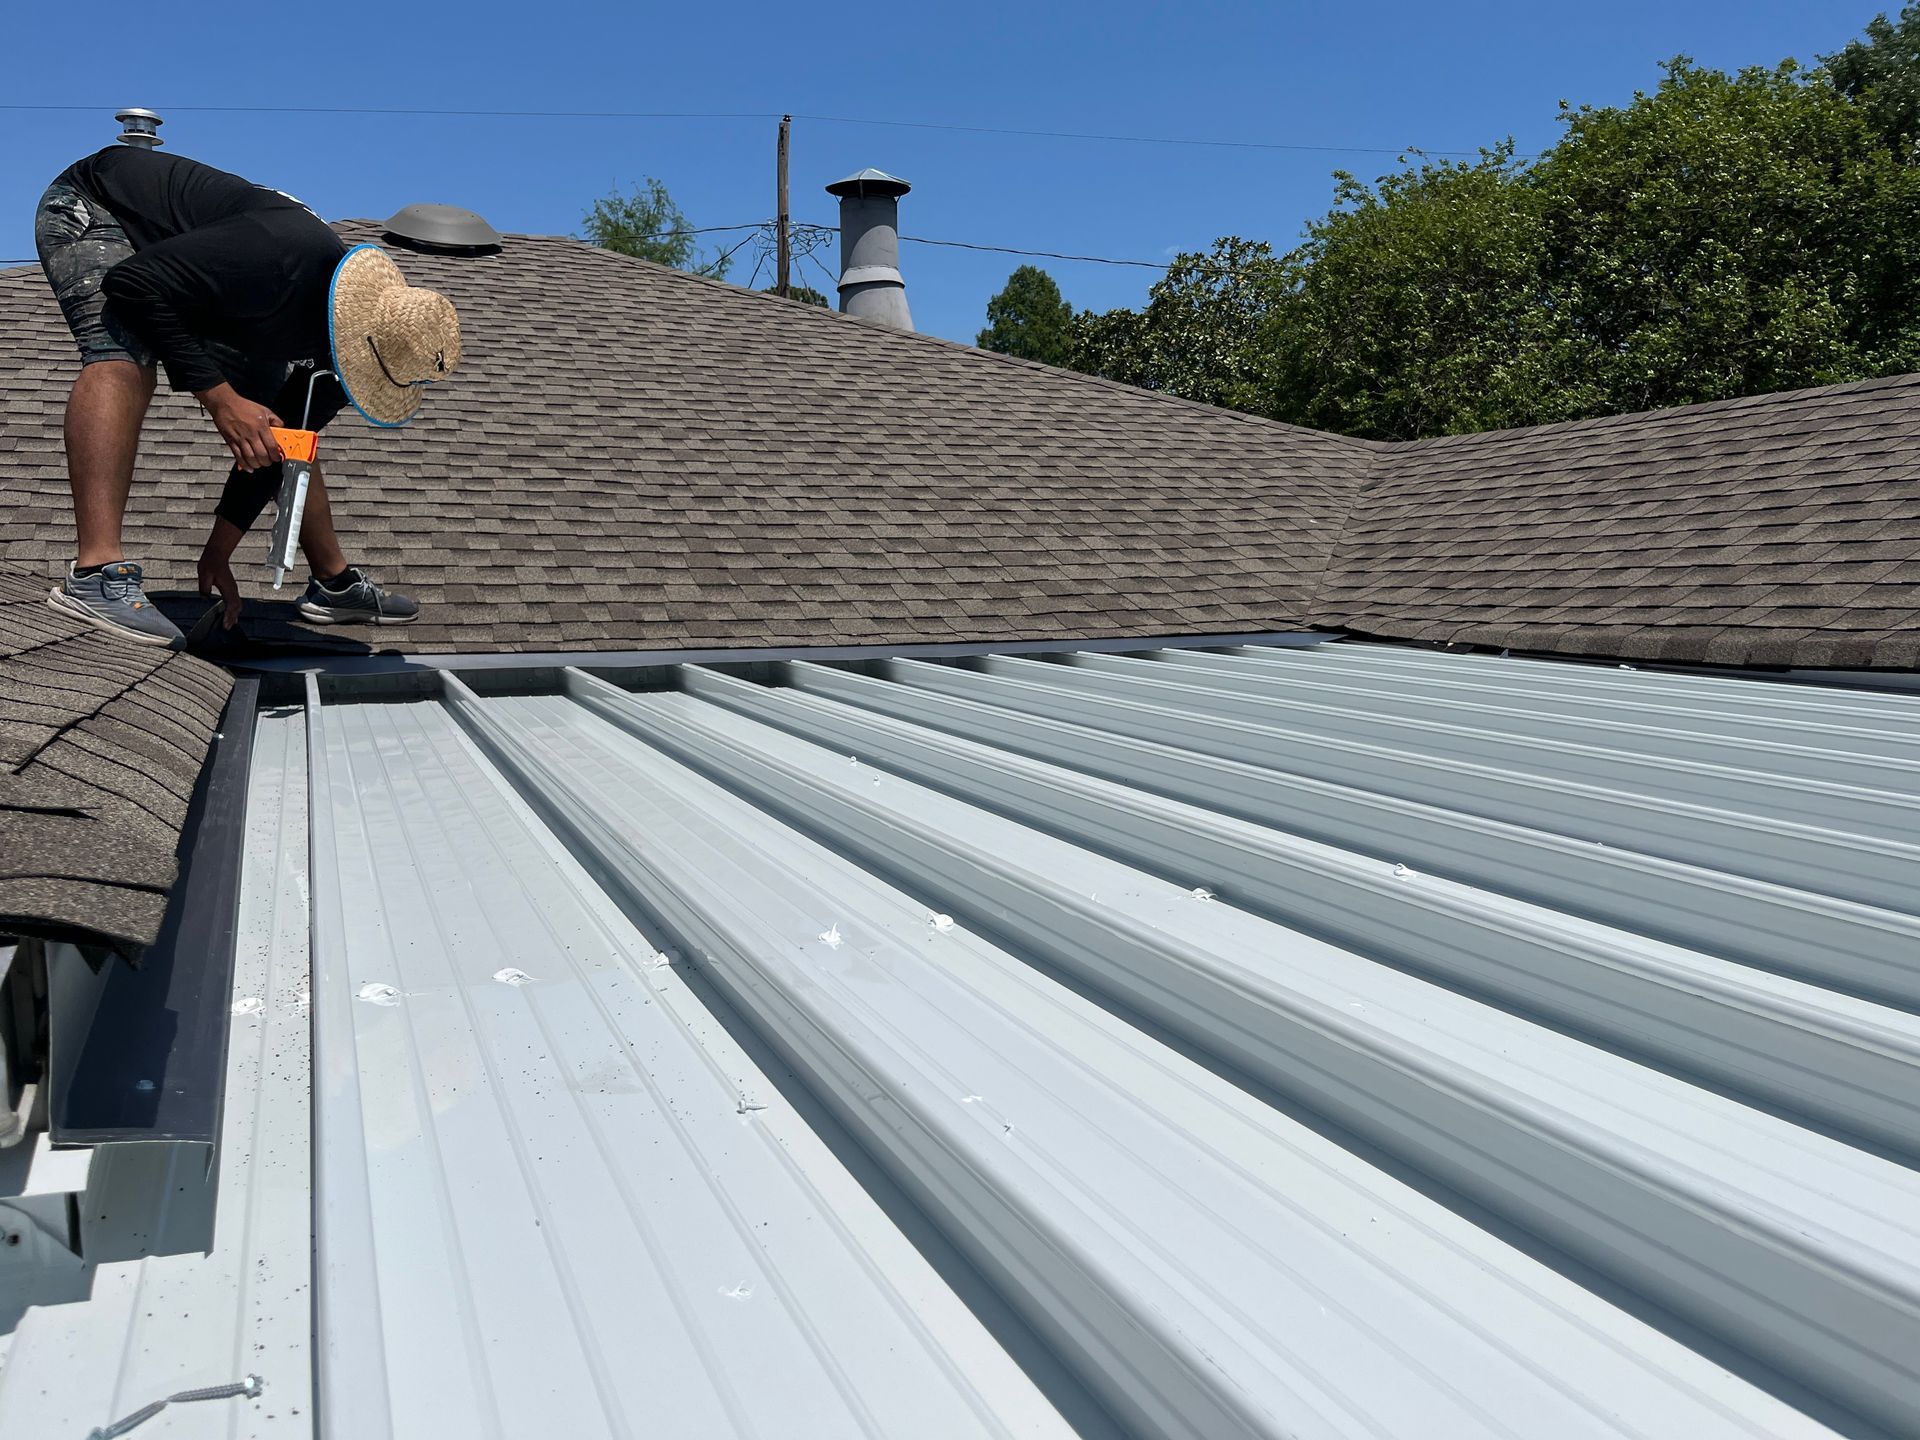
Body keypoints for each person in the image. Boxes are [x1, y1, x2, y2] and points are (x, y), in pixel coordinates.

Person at [33, 144, 461, 645]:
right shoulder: (278, 257)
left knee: (282, 430)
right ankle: (95, 573)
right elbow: (133, 284)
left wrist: (219, 551)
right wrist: (220, 398)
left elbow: (286, 439)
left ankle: (334, 584)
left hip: (197, 281)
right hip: (100, 205)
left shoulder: (363, 350)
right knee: (122, 356)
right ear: (353, 328)